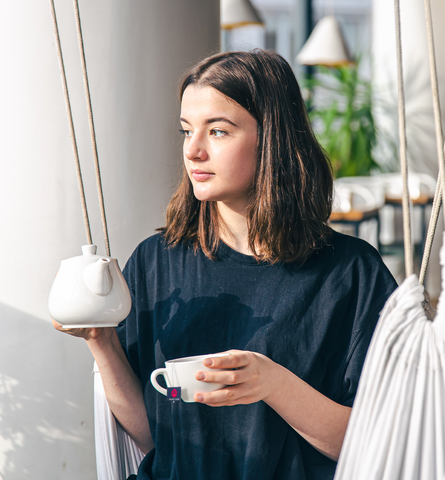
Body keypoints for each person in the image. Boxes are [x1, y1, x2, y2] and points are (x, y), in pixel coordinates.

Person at [53, 49, 397, 480]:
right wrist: (101, 341)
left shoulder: (350, 273)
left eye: (217, 131)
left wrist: (272, 383)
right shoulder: (156, 261)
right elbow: (151, 436)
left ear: (272, 139)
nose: (193, 151)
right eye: (185, 131)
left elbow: (376, 445)